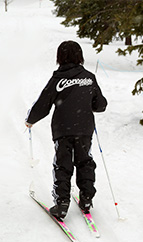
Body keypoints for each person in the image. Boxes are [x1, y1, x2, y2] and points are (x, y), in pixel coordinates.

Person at [25, 40, 107, 220]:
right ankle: (86, 199)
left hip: (63, 129)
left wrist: (30, 120)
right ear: (80, 56)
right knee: (85, 161)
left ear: (60, 57)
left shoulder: (57, 79)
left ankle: (62, 204)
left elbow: (42, 105)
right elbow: (100, 105)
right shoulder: (89, 77)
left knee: (63, 164)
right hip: (84, 129)